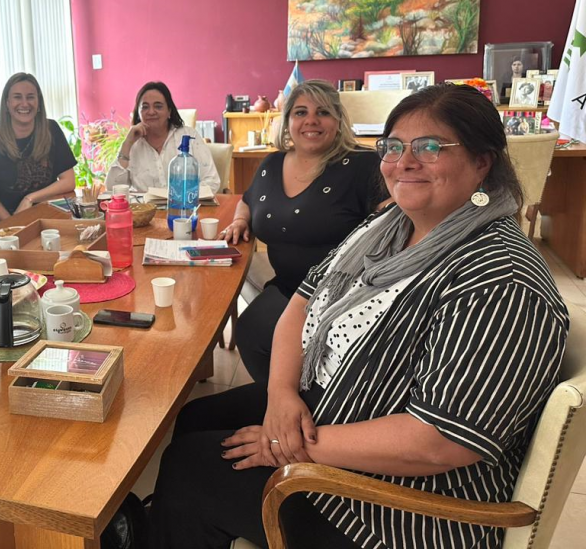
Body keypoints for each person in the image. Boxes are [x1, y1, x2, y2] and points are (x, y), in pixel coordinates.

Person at [149, 83, 569, 549]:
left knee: (192, 468)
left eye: (430, 147)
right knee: (195, 419)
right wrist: (281, 393)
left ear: (482, 162)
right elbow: (301, 301)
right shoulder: (386, 227)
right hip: (338, 408)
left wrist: (292, 445)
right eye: (394, 147)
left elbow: (439, 443)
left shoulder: (500, 281)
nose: (405, 162)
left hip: (395, 506)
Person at [224, 80, 384, 386]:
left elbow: (394, 221)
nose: (311, 120)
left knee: (288, 345)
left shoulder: (364, 165)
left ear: (338, 122)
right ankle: (278, 401)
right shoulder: (272, 164)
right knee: (250, 331)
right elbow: (246, 200)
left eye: (322, 112)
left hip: (343, 295)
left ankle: (312, 404)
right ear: (288, 123)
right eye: (300, 112)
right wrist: (240, 221)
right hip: (288, 286)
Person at [0, 73, 77, 224]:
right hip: (4, 218)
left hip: (48, 211)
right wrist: (15, 225)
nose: (24, 103)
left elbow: (69, 181)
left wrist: (29, 198)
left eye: (30, 97)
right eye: (17, 97)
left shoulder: (51, 130)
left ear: (38, 103)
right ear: (7, 103)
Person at [105, 81, 220, 194]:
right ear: (138, 113)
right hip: (147, 211)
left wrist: (182, 198)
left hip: (185, 208)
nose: (151, 112)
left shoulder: (189, 137)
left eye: (158, 106)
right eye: (145, 107)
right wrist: (127, 143)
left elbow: (212, 182)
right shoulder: (132, 145)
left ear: (169, 111)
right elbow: (112, 189)